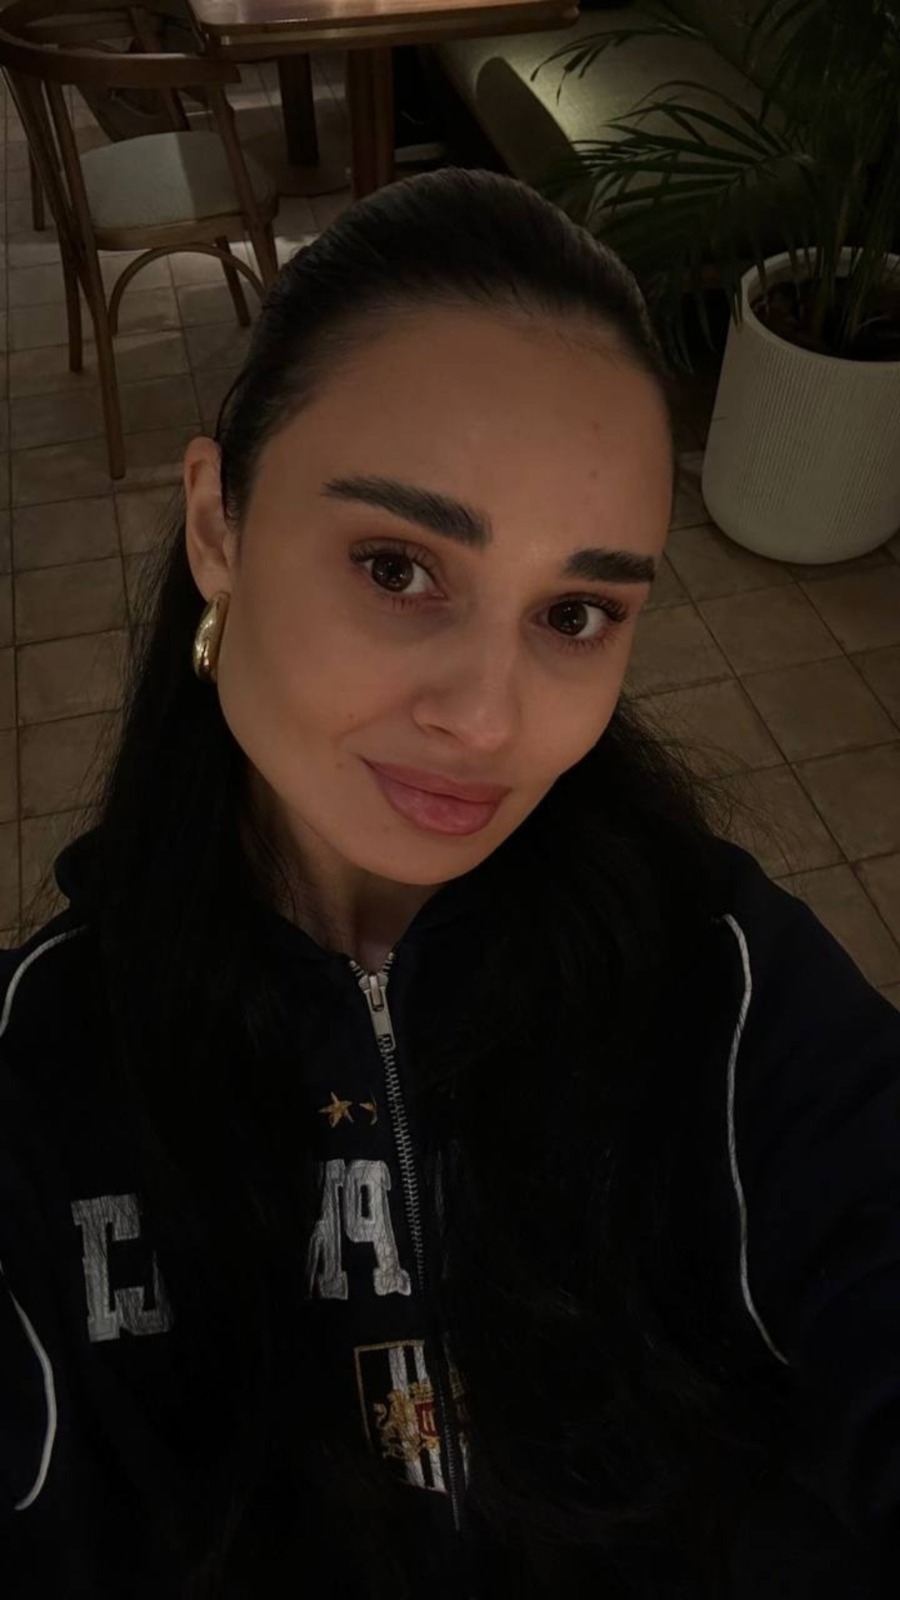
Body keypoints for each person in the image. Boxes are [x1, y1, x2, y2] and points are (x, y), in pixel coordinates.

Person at [1, 167, 898, 1600]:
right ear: (219, 523)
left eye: (576, 612)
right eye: (397, 567)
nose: (487, 718)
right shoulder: (38, 1074)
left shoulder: (724, 984)